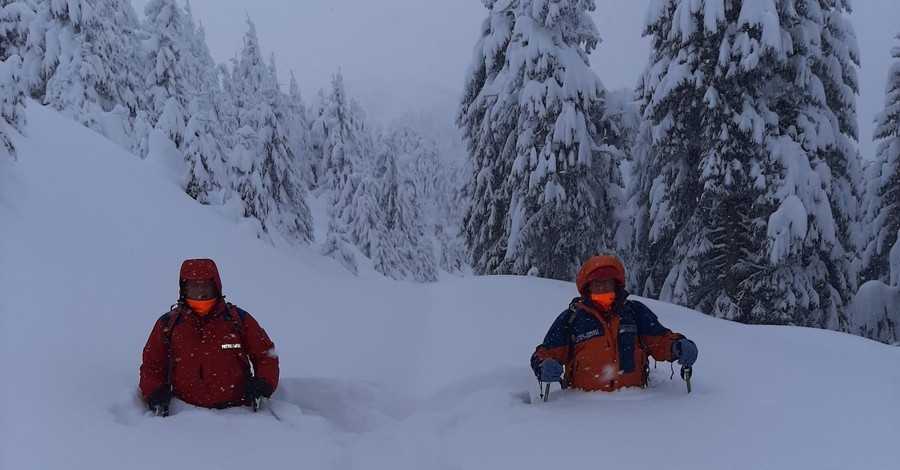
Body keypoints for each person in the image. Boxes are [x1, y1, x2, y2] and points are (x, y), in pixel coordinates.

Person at [531, 255, 698, 392]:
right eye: (597, 283)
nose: (603, 287)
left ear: (616, 284)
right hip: (582, 409)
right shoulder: (572, 318)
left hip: (637, 406)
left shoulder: (635, 313)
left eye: (607, 282)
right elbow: (545, 352)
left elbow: (660, 341)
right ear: (587, 287)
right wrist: (543, 366)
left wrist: (678, 346)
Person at [140, 258, 279, 415]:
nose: (201, 291)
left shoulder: (238, 319)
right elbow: (152, 365)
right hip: (183, 415)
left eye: (206, 284)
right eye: (194, 285)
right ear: (184, 288)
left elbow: (266, 355)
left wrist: (264, 383)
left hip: (240, 414)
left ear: (216, 286)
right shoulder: (168, 324)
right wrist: (153, 391)